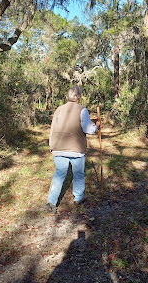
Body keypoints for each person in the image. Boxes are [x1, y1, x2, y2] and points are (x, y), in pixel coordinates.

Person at [46, 86, 101, 214]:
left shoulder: (59, 109)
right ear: (78, 96)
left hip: (58, 147)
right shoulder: (82, 110)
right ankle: (79, 197)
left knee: (59, 175)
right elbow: (88, 129)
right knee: (78, 174)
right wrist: (97, 126)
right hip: (76, 149)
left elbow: (52, 128)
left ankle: (51, 201)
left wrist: (51, 145)